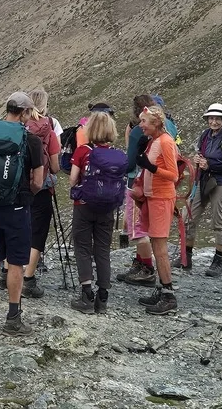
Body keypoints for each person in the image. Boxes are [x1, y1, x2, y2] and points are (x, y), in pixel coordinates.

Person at [0, 92, 46, 338]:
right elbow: (38, 181)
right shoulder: (32, 141)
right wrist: (28, 193)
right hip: (17, 207)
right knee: (15, 262)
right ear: (26, 112)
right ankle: (13, 318)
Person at [68, 111, 122, 313]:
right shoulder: (116, 154)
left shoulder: (82, 151)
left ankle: (86, 295)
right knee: (103, 250)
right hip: (107, 209)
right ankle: (103, 297)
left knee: (82, 248)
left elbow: (73, 179)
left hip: (83, 206)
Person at [131, 105, 180, 314]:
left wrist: (151, 167)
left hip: (161, 198)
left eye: (144, 122)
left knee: (159, 247)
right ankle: (162, 288)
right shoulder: (154, 141)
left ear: (156, 123)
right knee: (154, 243)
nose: (140, 125)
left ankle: (168, 294)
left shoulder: (166, 142)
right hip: (152, 197)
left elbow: (174, 175)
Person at [186, 103, 222, 277]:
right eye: (211, 118)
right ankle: (186, 256)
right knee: (189, 216)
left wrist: (209, 164)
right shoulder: (205, 135)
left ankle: (218, 261)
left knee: (220, 221)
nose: (214, 121)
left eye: (218, 118)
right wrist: (198, 160)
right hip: (204, 180)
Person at [22, 88, 61, 298]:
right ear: (44, 105)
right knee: (38, 232)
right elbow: (55, 167)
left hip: (18, 186)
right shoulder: (50, 129)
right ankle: (28, 278)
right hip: (43, 188)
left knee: (18, 226)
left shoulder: (18, 126)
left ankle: (8, 271)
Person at [116, 95, 158, 285]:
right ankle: (140, 263)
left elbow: (130, 161)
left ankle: (147, 268)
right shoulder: (167, 127)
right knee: (149, 225)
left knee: (137, 227)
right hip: (160, 184)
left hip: (137, 183)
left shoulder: (137, 131)